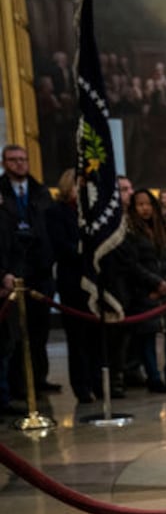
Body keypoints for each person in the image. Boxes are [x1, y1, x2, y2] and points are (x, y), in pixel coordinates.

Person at [1, 143, 56, 407]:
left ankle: (40, 378)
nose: (19, 164)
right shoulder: (2, 192)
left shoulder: (40, 191)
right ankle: (17, 384)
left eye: (23, 159)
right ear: (4, 163)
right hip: (12, 270)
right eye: (13, 160)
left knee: (39, 329)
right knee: (15, 331)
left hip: (40, 267)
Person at [121, 189, 166, 393]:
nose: (145, 208)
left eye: (148, 204)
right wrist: (156, 283)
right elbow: (132, 264)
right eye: (140, 204)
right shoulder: (129, 232)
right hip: (145, 292)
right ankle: (154, 377)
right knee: (147, 336)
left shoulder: (165, 230)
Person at [46, 169, 102, 404]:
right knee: (77, 338)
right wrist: (86, 252)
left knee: (96, 337)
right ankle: (81, 385)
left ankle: (99, 382)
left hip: (94, 280)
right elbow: (61, 246)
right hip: (73, 280)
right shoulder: (56, 212)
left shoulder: (91, 212)